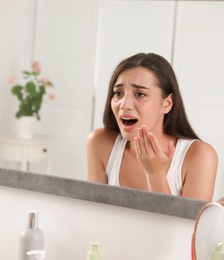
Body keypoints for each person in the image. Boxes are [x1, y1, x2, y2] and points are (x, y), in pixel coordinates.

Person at [86, 53, 218, 201]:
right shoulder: (100, 142)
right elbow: (94, 214)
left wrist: (156, 174)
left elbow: (185, 224)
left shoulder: (199, 156)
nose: (124, 104)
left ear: (167, 104)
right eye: (118, 93)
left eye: (140, 94)